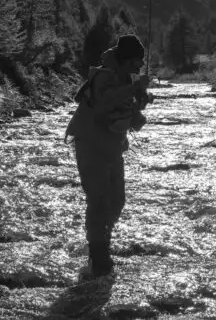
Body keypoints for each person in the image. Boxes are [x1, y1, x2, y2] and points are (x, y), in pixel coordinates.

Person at [65, 34, 151, 279]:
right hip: (90, 145)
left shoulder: (125, 78)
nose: (140, 65)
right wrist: (135, 88)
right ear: (126, 58)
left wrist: (138, 110)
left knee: (117, 200)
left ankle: (102, 241)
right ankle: (98, 254)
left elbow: (126, 109)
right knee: (99, 200)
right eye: (137, 60)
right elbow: (104, 102)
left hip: (112, 146)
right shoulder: (104, 76)